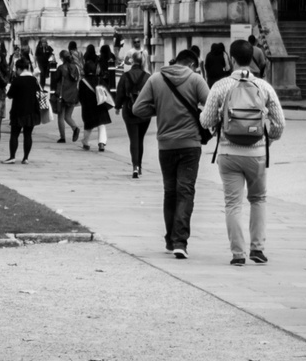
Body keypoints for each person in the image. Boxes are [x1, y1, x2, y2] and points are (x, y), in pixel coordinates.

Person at [201, 38, 286, 267]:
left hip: (228, 153)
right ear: (253, 58)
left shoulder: (220, 86)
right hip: (256, 154)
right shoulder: (264, 87)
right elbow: (280, 124)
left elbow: (206, 119)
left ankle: (238, 253)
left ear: (231, 59)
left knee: (233, 204)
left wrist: (220, 122)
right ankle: (257, 248)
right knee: (258, 199)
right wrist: (265, 141)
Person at [133, 47, 210, 258]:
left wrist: (159, 109)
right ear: (192, 65)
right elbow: (212, 106)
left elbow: (137, 109)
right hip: (190, 144)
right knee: (185, 191)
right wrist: (199, 115)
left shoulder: (156, 79)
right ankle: (180, 242)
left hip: (165, 145)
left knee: (170, 192)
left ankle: (169, 238)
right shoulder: (195, 80)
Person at [115, 51, 151, 177]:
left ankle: (135, 166)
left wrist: (117, 107)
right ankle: (139, 166)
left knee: (133, 139)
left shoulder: (126, 76)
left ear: (132, 61)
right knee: (140, 139)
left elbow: (119, 93)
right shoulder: (147, 76)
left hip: (129, 110)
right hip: (144, 112)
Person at [6, 55, 43, 164]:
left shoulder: (17, 80)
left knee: (14, 134)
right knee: (28, 135)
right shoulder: (34, 80)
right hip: (32, 111)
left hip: (18, 111)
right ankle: (25, 158)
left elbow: (10, 95)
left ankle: (12, 156)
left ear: (18, 69)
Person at [78, 61, 112, 150]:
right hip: (100, 105)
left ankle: (86, 142)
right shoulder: (100, 80)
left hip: (88, 107)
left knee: (88, 125)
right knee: (101, 124)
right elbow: (106, 91)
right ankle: (101, 143)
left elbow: (80, 96)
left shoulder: (83, 82)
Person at [56, 49, 82, 143]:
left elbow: (55, 79)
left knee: (61, 116)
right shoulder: (76, 67)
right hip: (73, 95)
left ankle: (62, 137)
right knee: (68, 116)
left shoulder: (61, 68)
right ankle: (75, 128)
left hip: (63, 95)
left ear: (62, 58)